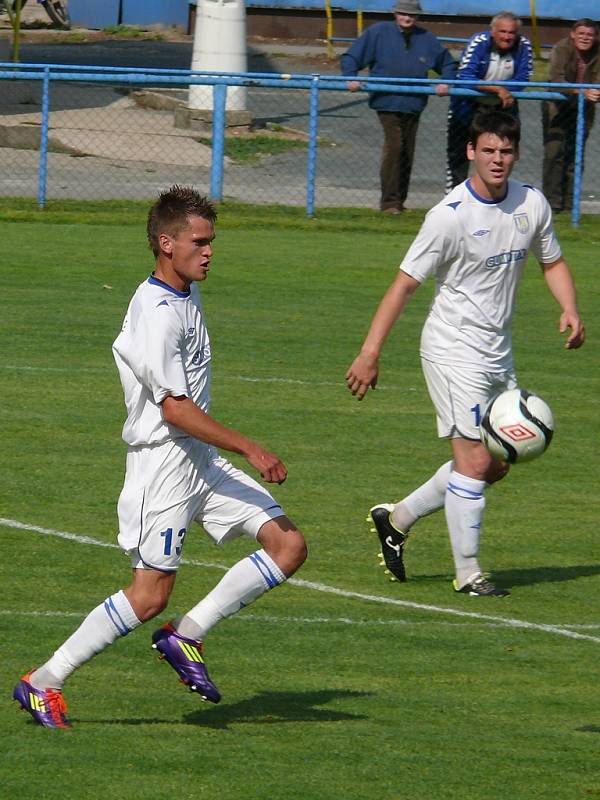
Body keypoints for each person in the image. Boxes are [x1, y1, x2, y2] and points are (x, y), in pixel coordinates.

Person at [12, 185, 307, 728]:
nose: (210, 251)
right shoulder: (155, 312)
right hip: (163, 464)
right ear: (166, 243)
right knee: (149, 595)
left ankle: (185, 635)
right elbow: (174, 409)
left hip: (200, 462)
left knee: (287, 545)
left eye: (212, 241)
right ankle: (42, 680)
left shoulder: (185, 295)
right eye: (199, 242)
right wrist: (250, 445)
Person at [346, 110, 585, 597]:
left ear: (515, 154)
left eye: (506, 151)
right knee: (475, 462)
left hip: (498, 353)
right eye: (488, 151)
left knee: (495, 463)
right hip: (452, 350)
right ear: (471, 152)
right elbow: (403, 286)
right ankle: (469, 573)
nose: (498, 160)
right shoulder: (448, 217)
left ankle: (396, 519)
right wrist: (369, 352)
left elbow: (552, 260)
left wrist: (570, 308)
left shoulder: (530, 204)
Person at [340, 0, 457, 214]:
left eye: (411, 14)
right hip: (387, 100)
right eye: (403, 13)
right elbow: (351, 57)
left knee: (407, 151)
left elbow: (448, 63)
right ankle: (389, 203)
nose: (407, 18)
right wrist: (350, 77)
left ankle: (400, 201)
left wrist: (446, 81)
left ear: (418, 16)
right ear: (395, 14)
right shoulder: (377, 33)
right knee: (394, 146)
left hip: (414, 103)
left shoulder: (427, 39)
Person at [446, 12, 533, 192]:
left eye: (511, 33)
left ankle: (496, 194)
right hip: (467, 109)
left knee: (500, 154)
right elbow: (465, 77)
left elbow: (523, 79)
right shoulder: (479, 42)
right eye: (503, 31)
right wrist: (497, 90)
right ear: (493, 31)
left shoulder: (524, 46)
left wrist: (502, 91)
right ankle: (454, 196)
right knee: (458, 156)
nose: (507, 36)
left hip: (503, 110)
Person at [542, 19, 600, 214]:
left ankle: (569, 206)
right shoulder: (561, 48)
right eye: (581, 33)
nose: (585, 38)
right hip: (558, 106)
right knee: (554, 153)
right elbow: (556, 80)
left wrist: (595, 92)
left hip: (585, 109)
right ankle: (551, 205)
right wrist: (582, 91)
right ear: (573, 34)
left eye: (590, 35)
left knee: (576, 157)